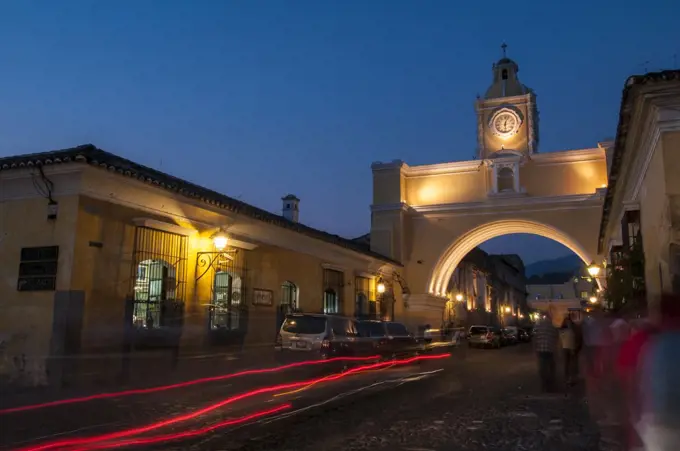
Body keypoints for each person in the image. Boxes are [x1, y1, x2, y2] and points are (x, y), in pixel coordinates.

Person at [534, 310, 559, 392]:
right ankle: (550, 385)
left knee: (542, 369)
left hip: (541, 350)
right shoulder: (553, 325)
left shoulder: (538, 325)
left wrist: (535, 348)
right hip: (550, 350)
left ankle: (544, 385)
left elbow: (534, 336)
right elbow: (556, 337)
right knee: (551, 368)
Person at [560, 317, 578, 386]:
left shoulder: (565, 330)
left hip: (568, 348)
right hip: (568, 348)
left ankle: (570, 378)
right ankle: (569, 378)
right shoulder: (568, 330)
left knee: (569, 364)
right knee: (568, 364)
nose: (568, 323)